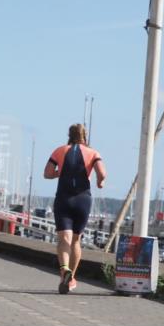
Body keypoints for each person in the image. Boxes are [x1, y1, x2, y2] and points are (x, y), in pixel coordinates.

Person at [43, 123, 106, 294]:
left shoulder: (60, 151)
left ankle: (64, 270)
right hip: (82, 200)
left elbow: (47, 173)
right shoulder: (93, 153)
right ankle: (71, 279)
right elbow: (102, 173)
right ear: (85, 136)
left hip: (63, 199)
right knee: (76, 240)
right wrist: (100, 182)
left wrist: (60, 172)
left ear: (69, 135)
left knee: (64, 239)